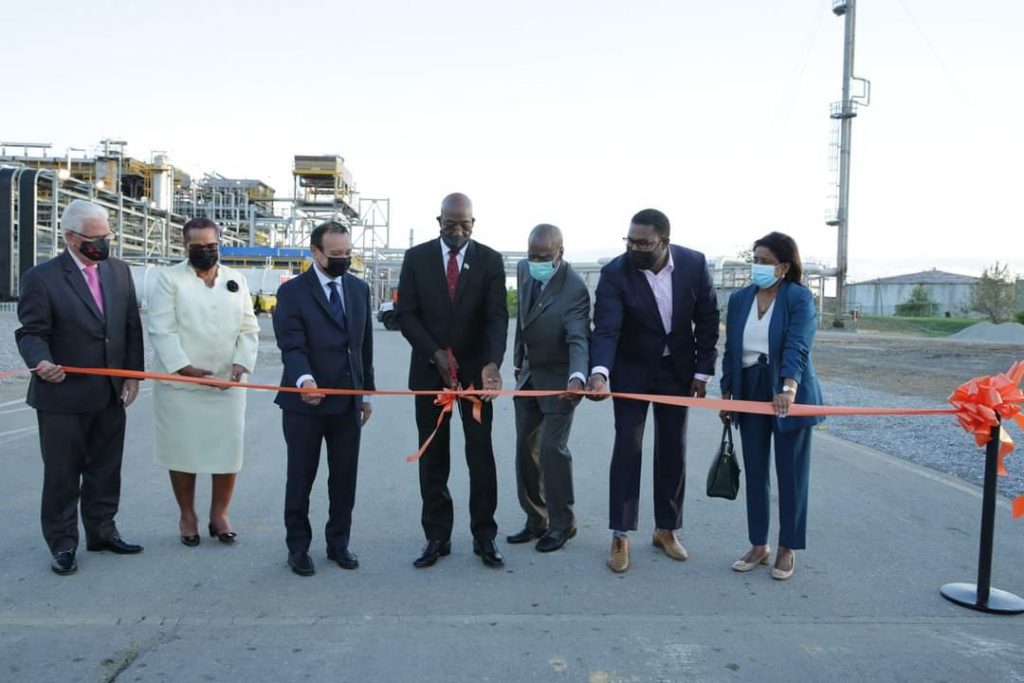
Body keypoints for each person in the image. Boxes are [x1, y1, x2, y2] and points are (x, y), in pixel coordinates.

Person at [15, 199, 145, 575]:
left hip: (108, 393)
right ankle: (63, 543)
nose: (104, 244)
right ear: (71, 238)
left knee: (106, 468)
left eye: (108, 236)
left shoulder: (118, 271)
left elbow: (130, 328)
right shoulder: (42, 278)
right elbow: (31, 332)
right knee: (62, 473)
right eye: (96, 238)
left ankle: (102, 531)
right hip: (62, 395)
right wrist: (40, 362)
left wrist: (132, 376)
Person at [587, 208, 719, 573]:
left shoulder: (694, 264)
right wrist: (599, 373)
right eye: (630, 240)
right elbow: (607, 328)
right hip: (632, 369)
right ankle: (620, 534)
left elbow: (708, 318)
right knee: (628, 447)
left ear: (665, 241)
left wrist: (702, 371)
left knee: (672, 448)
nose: (635, 247)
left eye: (643, 242)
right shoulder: (615, 271)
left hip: (676, 370)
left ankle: (666, 529)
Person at [395, 193, 508, 569]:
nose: (457, 231)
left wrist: (492, 363)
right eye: (450, 224)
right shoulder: (417, 258)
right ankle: (436, 536)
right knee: (433, 458)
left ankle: (484, 536)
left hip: (476, 378)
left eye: (465, 224)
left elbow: (496, 318)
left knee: (481, 457)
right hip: (430, 374)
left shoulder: (490, 261)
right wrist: (434, 354)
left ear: (474, 223)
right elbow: (406, 314)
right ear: (438, 221)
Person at [147, 217, 260, 547]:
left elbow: (249, 328)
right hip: (183, 385)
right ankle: (188, 515)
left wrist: (242, 362)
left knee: (227, 451)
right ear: (186, 247)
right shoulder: (169, 279)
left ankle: (219, 514)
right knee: (184, 452)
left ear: (220, 244)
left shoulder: (235, 280)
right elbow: (161, 329)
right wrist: (184, 368)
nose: (205, 252)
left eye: (211, 246)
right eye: (197, 247)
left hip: (227, 384)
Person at [719, 232, 824, 581]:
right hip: (749, 387)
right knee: (756, 470)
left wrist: (789, 386)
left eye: (764, 261)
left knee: (791, 474)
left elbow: (798, 344)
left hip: (786, 390)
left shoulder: (799, 298)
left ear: (783, 266)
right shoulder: (739, 300)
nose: (757, 266)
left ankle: (787, 548)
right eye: (755, 258)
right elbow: (732, 350)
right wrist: (728, 394)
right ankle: (758, 544)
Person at [273, 221, 374, 577]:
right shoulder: (293, 293)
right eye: (336, 255)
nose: (344, 260)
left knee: (344, 477)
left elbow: (364, 347)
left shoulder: (359, 289)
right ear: (315, 253)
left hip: (347, 401)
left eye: (348, 253)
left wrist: (365, 394)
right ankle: (297, 547)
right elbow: (292, 344)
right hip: (305, 403)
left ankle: (338, 543)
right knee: (301, 477)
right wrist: (305, 380)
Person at [508, 224, 590, 552]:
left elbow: (578, 337)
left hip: (560, 380)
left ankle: (562, 523)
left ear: (560, 253)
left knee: (553, 452)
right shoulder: (524, 270)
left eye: (544, 257)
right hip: (528, 376)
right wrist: (517, 359)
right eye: (531, 256)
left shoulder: (575, 288)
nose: (536, 262)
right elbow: (522, 321)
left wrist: (577, 378)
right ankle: (535, 517)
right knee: (524, 451)